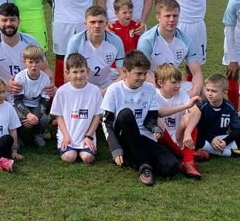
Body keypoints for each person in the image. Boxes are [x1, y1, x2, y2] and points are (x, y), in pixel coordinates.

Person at [101, 50, 178, 186]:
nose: (143, 77)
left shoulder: (150, 89)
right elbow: (106, 123)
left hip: (144, 137)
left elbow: (151, 118)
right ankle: (144, 166)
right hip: (123, 135)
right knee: (126, 114)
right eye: (138, 73)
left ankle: (134, 159)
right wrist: (115, 148)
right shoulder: (114, 89)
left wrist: (154, 127)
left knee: (171, 166)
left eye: (145, 73)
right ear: (125, 71)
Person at [136, 0, 204, 97]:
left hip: (172, 85)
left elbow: (197, 72)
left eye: (175, 15)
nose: (172, 19)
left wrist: (195, 91)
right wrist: (165, 88)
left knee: (204, 92)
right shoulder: (147, 40)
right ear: (158, 17)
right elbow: (142, 74)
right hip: (150, 85)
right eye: (167, 16)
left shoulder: (186, 40)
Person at [152, 63, 204, 179]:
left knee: (190, 118)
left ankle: (188, 162)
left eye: (179, 82)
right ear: (160, 83)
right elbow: (158, 112)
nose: (178, 86)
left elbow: (197, 112)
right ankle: (188, 154)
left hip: (179, 136)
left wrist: (187, 133)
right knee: (156, 121)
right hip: (162, 137)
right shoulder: (154, 94)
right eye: (174, 82)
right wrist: (185, 107)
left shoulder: (181, 93)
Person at [181, 74, 240, 160]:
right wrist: (212, 139)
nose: (209, 94)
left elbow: (237, 129)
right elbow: (199, 130)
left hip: (221, 137)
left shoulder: (230, 107)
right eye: (207, 90)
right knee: (198, 140)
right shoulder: (202, 106)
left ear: (224, 93)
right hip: (206, 138)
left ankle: (211, 151)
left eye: (214, 91)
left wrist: (225, 141)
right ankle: (232, 153)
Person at [50, 53, 103, 164]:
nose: (79, 75)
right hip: (68, 135)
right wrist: (65, 136)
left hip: (86, 135)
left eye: (82, 71)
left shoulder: (95, 91)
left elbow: (97, 116)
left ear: (88, 71)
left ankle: (86, 144)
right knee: (69, 157)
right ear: (67, 73)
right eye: (75, 72)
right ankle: (69, 146)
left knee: (87, 158)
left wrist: (89, 136)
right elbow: (58, 116)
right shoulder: (62, 91)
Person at [65, 6, 126, 93]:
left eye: (101, 22)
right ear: (85, 24)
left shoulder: (116, 41)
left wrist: (107, 91)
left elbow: (124, 73)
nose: (97, 26)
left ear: (107, 23)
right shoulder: (75, 42)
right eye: (92, 22)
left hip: (108, 85)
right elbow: (68, 74)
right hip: (83, 85)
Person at [0, 3, 44, 83]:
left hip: (30, 89)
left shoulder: (31, 42)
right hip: (2, 92)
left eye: (12, 20)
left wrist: (50, 84)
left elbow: (45, 68)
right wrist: (5, 87)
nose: (8, 24)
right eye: (4, 20)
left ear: (19, 21)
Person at [12, 45, 53, 147]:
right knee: (17, 116)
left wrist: (35, 117)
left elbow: (44, 101)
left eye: (37, 62)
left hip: (36, 105)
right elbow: (18, 101)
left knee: (45, 119)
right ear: (24, 62)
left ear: (42, 62)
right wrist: (28, 115)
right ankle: (18, 136)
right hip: (22, 105)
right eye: (30, 62)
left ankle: (37, 134)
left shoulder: (45, 79)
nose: (34, 65)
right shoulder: (20, 77)